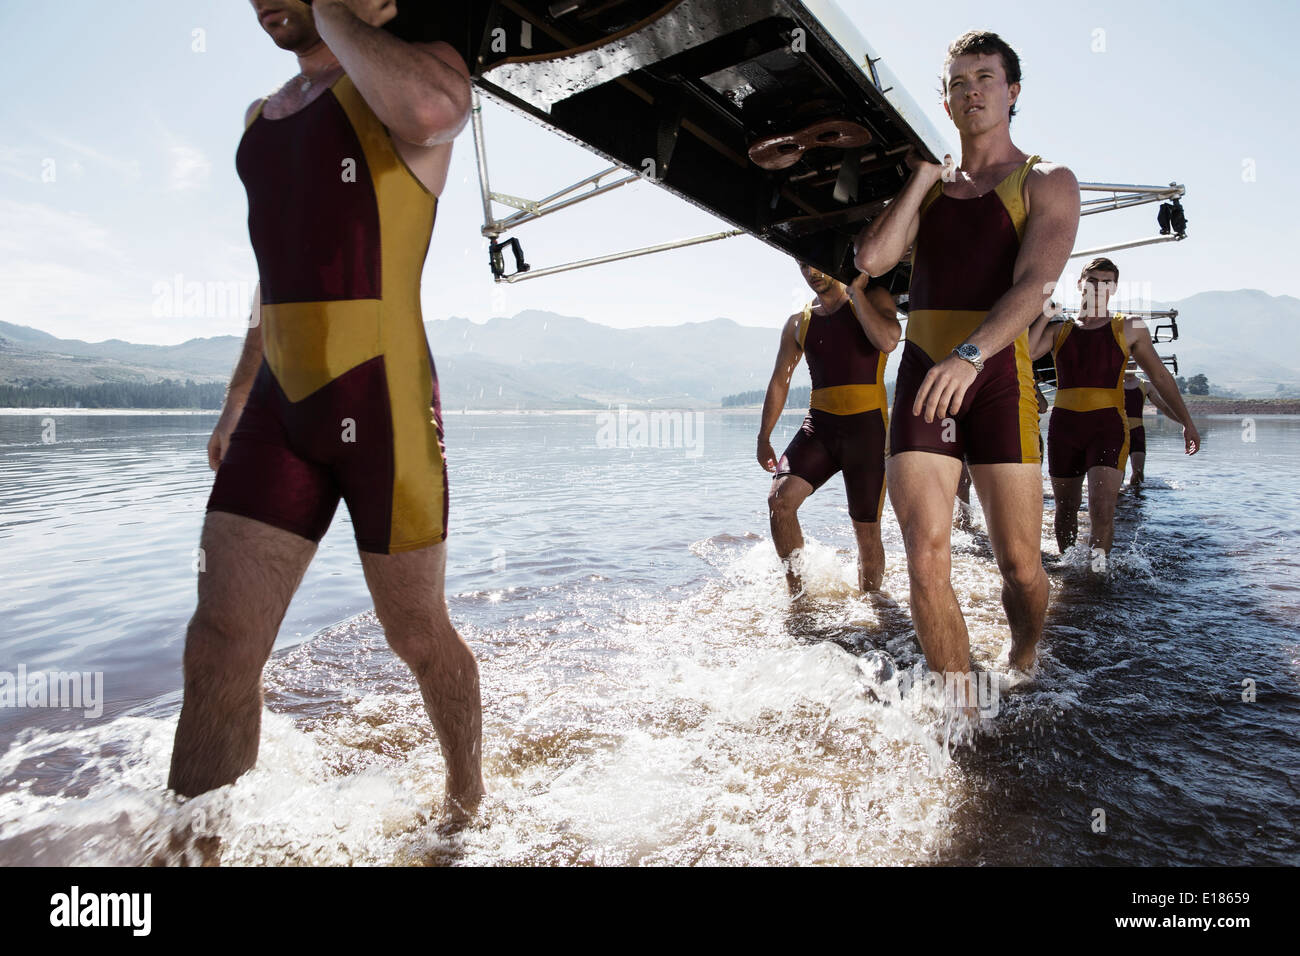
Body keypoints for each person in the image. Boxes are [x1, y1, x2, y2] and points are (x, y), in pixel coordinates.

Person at [168, 0, 485, 822]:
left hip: (384, 400)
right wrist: (239, 394)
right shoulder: (258, 118)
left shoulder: (416, 74)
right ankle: (193, 840)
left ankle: (467, 803)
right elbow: (272, 274)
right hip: (278, 408)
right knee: (219, 645)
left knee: (416, 635)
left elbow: (434, 112)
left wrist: (337, 14)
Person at [854, 30, 1080, 683]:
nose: (971, 90)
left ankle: (1023, 654)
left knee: (1019, 565)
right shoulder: (927, 192)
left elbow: (1034, 285)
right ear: (946, 104)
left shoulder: (1048, 183)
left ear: (1012, 93)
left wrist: (974, 353)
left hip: (997, 380)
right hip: (925, 375)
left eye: (984, 78)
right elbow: (871, 262)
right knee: (925, 558)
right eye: (957, 83)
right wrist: (924, 173)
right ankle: (963, 712)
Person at [1027, 258, 1200, 558]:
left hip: (1107, 428)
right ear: (1080, 284)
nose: (1099, 288)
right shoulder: (1060, 330)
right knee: (1065, 508)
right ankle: (1070, 568)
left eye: (1106, 283)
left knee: (1102, 508)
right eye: (1093, 281)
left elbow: (1160, 376)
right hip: (1064, 429)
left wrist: (1187, 422)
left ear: (1115, 289)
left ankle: (1097, 574)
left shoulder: (1130, 327)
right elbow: (1027, 352)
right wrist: (1046, 315)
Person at [758, 263, 901, 594]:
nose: (811, 272)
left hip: (867, 431)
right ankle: (799, 595)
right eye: (802, 265)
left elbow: (889, 340)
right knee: (779, 501)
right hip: (819, 427)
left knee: (866, 533)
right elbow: (780, 380)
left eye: (817, 263)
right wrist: (763, 437)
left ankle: (871, 604)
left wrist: (856, 292)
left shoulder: (872, 298)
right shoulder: (798, 323)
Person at [1123, 363, 1178, 487]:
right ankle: (1120, 500)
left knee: (1138, 473)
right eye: (1128, 364)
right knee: (1118, 474)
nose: (1131, 368)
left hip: (1137, 432)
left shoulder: (1146, 385)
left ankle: (1136, 499)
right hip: (1118, 431)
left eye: (1133, 365)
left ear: (1136, 366)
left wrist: (1184, 422)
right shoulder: (1114, 383)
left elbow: (1163, 407)